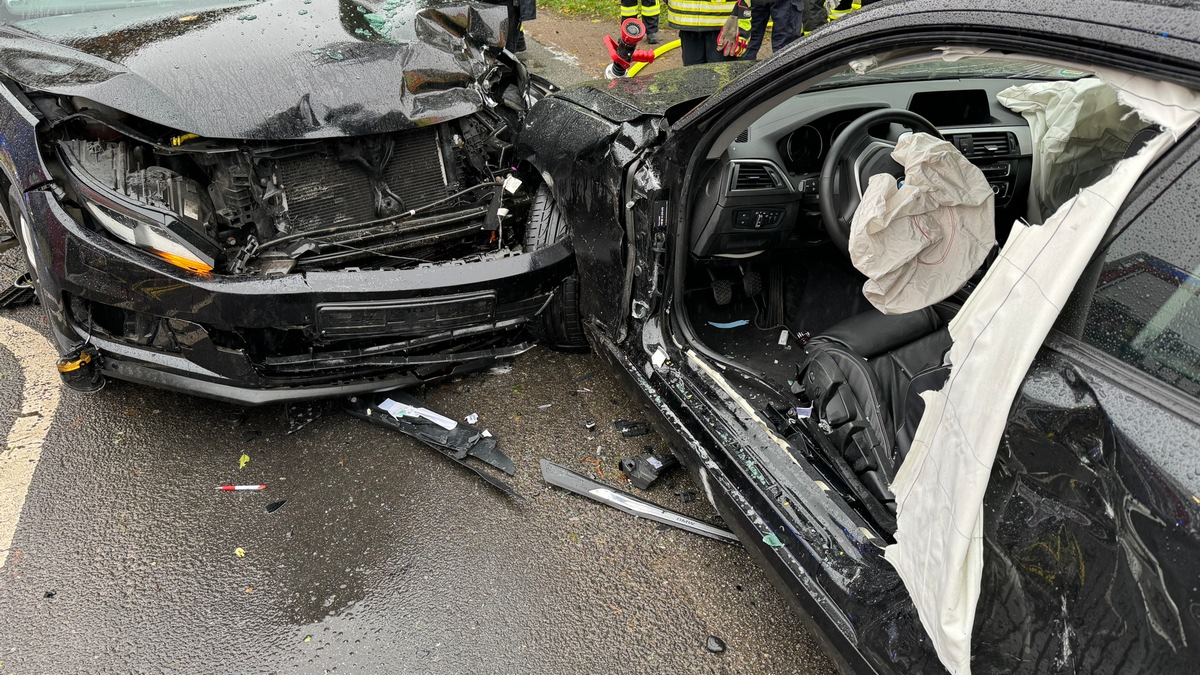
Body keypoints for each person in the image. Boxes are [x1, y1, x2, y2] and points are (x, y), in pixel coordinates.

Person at [668, 0, 752, 66]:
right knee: (693, 79)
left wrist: (741, 11)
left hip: (725, 24)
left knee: (722, 78)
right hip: (688, 21)